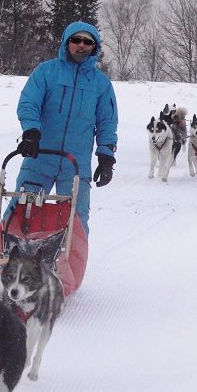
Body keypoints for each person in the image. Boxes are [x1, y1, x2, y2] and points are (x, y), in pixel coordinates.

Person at [12, 21, 118, 235]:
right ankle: (9, 259)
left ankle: (67, 262)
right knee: (22, 212)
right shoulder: (46, 72)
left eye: (87, 42)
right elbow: (29, 103)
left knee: (75, 221)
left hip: (75, 166)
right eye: (76, 40)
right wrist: (31, 132)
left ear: (94, 47)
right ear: (66, 43)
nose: (81, 45)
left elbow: (107, 121)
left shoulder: (101, 83)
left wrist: (106, 157)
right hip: (39, 158)